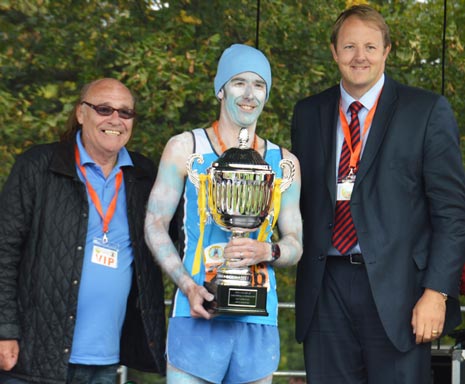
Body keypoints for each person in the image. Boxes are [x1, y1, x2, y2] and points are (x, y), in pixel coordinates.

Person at [291, 4, 465, 383]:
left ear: (387, 50)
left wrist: (437, 292)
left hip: (400, 293)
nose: (360, 57)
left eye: (370, 47)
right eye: (349, 46)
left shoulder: (426, 111)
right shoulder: (307, 114)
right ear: (334, 51)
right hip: (325, 290)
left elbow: (452, 213)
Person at [145, 43, 303, 384]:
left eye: (259, 85)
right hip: (197, 309)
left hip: (258, 319)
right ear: (220, 89)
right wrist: (187, 285)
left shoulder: (285, 162)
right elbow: (154, 224)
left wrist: (269, 250)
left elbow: (295, 242)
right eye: (238, 82)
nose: (249, 94)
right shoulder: (186, 147)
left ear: (267, 94)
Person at [0, 78, 166, 383]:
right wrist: (4, 330)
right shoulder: (39, 165)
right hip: (34, 359)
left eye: (125, 112)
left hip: (105, 360)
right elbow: (4, 251)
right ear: (80, 113)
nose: (115, 119)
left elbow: (178, 239)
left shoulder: (145, 176)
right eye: (104, 109)